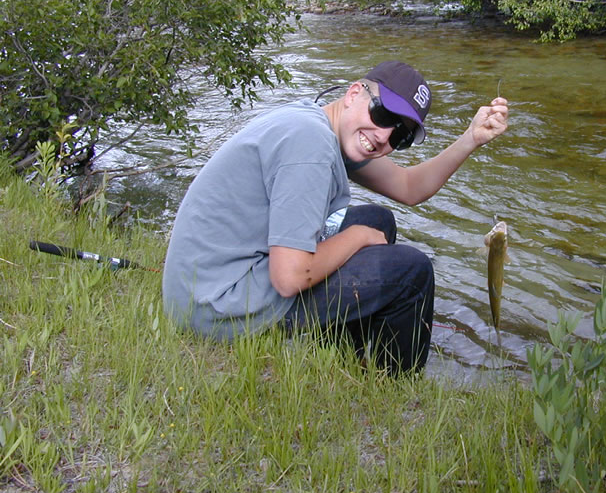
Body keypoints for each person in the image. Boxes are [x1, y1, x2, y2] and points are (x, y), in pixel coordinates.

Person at [162, 60, 509, 374]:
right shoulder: (310, 144)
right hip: (218, 308)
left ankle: (342, 355)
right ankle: (394, 389)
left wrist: (470, 139)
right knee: (411, 270)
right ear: (355, 93)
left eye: (400, 136)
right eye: (383, 114)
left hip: (207, 289)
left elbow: (408, 186)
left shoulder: (319, 124)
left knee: (378, 220)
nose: (384, 137)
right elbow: (290, 277)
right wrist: (356, 237)